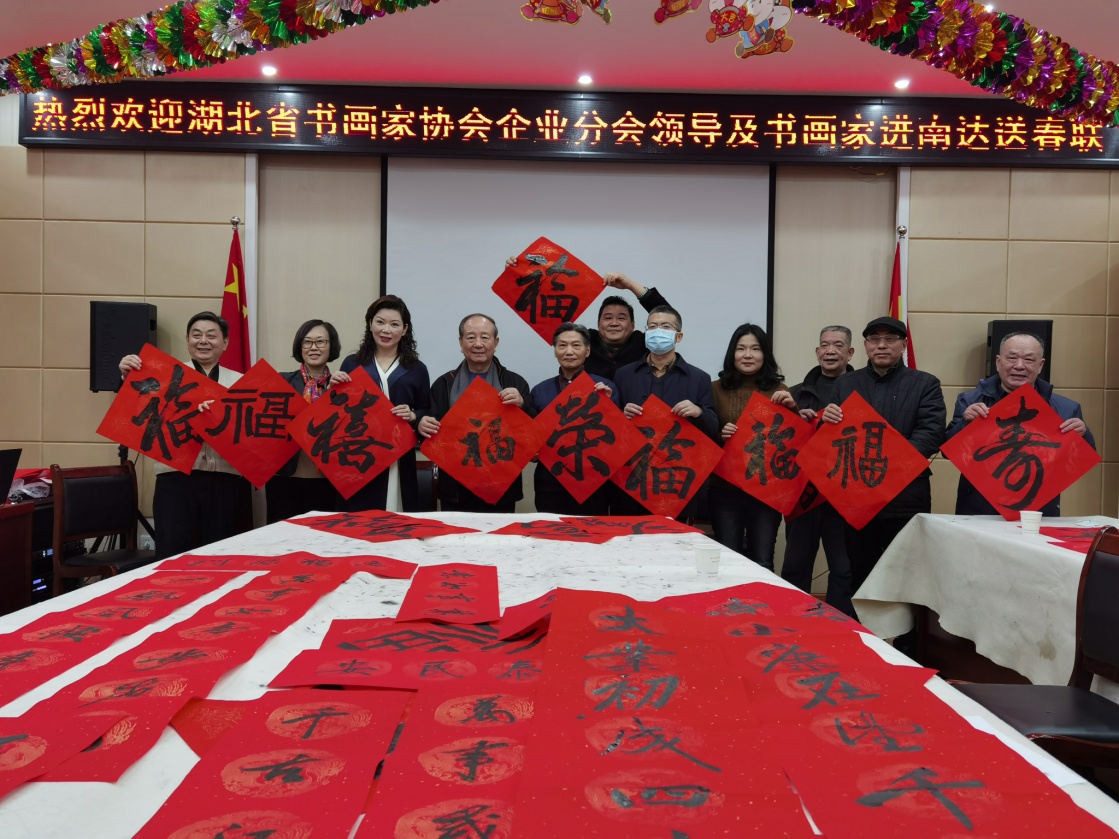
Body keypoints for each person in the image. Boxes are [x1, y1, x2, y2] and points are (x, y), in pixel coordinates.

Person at [820, 316, 945, 596]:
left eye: (890, 339)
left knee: (905, 578)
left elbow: (931, 434)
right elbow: (833, 440)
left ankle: (904, 629)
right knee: (860, 576)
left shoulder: (925, 384)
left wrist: (886, 466)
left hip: (905, 498)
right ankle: (861, 626)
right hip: (858, 499)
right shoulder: (845, 384)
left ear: (903, 345)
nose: (882, 345)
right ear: (865, 346)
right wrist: (825, 421)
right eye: (874, 339)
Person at [118, 311, 252, 560]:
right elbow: (136, 408)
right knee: (174, 555)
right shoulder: (165, 376)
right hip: (175, 481)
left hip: (226, 482)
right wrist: (128, 377)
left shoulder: (242, 383)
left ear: (225, 343)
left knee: (222, 557)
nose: (203, 341)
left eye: (211, 335)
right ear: (188, 340)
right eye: (196, 335)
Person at [947, 331, 1095, 517]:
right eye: (1012, 358)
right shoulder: (970, 401)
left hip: (1037, 512)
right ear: (998, 362)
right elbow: (947, 452)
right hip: (978, 508)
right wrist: (965, 424)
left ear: (1040, 365)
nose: (1019, 366)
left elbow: (1077, 461)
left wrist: (1084, 434)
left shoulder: (1067, 408)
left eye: (1029, 360)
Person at [772, 325, 857, 616]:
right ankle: (795, 623)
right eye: (825, 345)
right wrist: (796, 417)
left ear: (850, 353)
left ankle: (840, 627)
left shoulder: (861, 391)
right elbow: (781, 444)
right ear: (817, 351)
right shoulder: (795, 393)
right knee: (795, 565)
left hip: (843, 496)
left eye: (838, 345)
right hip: (804, 495)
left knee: (843, 568)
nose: (830, 351)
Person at [418, 313, 535, 513]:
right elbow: (433, 429)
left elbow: (531, 433)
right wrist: (423, 424)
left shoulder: (514, 382)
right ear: (461, 342)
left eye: (485, 337)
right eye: (471, 337)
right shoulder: (444, 384)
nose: (478, 344)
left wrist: (522, 405)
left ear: (496, 343)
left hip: (500, 485)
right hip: (455, 485)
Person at [613, 304, 718, 515]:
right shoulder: (624, 374)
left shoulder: (698, 378)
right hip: (634, 477)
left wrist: (698, 412)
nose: (658, 331)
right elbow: (612, 428)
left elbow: (713, 427)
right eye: (652, 327)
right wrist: (621, 415)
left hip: (675, 479)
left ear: (679, 337)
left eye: (666, 327)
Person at [332, 296, 430, 513]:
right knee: (357, 520)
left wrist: (413, 416)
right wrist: (333, 389)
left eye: (394, 324)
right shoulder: (352, 363)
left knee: (395, 517)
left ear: (405, 329)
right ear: (370, 324)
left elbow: (426, 409)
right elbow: (338, 412)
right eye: (380, 322)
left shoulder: (417, 369)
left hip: (397, 456)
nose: (386, 330)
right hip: (358, 453)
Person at [504, 257, 672, 381]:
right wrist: (519, 271)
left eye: (621, 318)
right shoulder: (585, 340)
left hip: (634, 411)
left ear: (632, 325)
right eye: (607, 318)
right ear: (599, 324)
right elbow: (543, 313)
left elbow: (669, 317)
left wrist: (630, 285)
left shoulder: (644, 342)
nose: (614, 323)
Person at [707, 324, 789, 570]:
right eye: (741, 348)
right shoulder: (714, 389)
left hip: (766, 491)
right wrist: (719, 434)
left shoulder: (780, 391)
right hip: (725, 490)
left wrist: (793, 409)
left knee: (762, 560)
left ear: (765, 354)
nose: (748, 355)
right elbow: (702, 437)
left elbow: (789, 443)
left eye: (755, 349)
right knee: (727, 560)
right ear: (732, 353)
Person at [529, 322, 619, 515]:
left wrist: (608, 405)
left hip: (592, 482)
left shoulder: (605, 387)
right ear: (555, 351)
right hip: (550, 482)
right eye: (562, 345)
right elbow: (531, 438)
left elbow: (617, 438)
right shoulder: (539, 390)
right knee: (550, 530)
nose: (569, 351)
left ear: (587, 351)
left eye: (576, 345)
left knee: (590, 531)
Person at [265, 319, 342, 523]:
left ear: (331, 346)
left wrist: (332, 393)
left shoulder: (342, 387)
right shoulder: (281, 382)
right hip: (284, 479)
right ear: (300, 347)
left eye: (321, 341)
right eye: (307, 342)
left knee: (323, 538)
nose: (313, 347)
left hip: (328, 480)